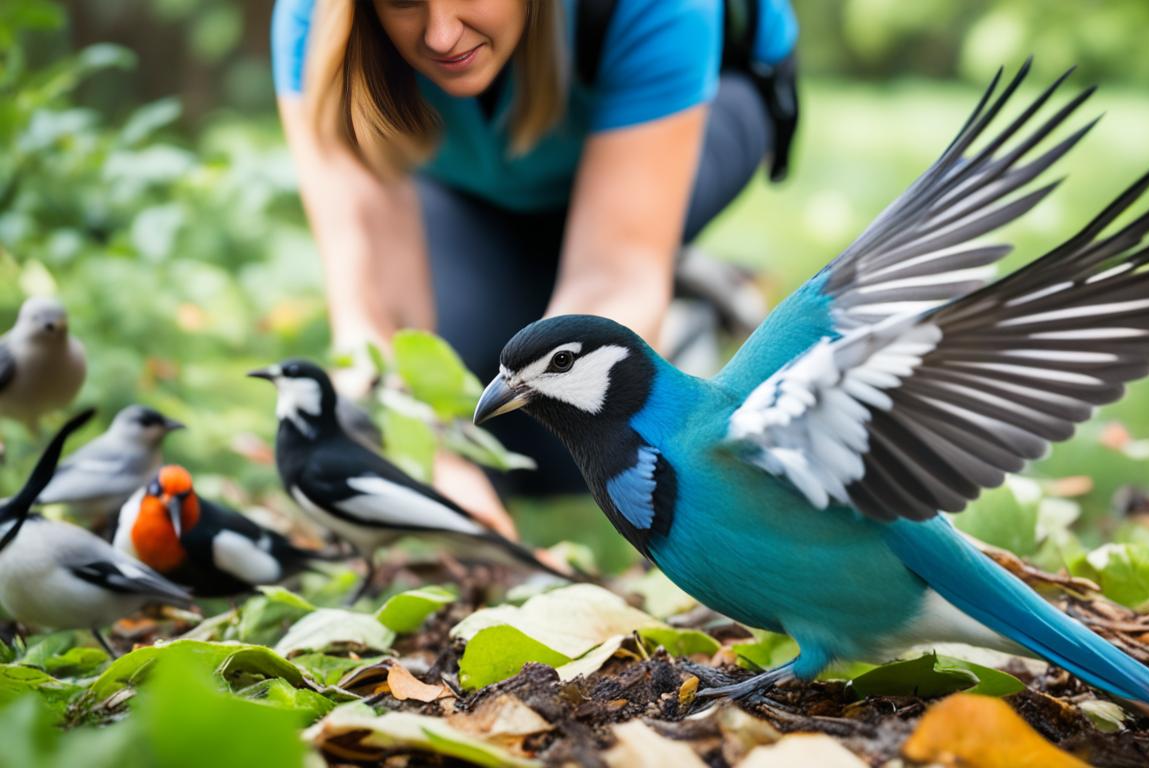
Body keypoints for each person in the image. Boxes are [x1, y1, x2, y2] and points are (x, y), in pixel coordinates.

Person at [271, 0, 798, 527]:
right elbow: (372, 313)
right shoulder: (316, 18)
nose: (441, 35)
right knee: (494, 420)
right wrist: (426, 459)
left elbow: (612, 277)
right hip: (481, 183)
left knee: (588, 430)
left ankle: (668, 289)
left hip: (688, 119)